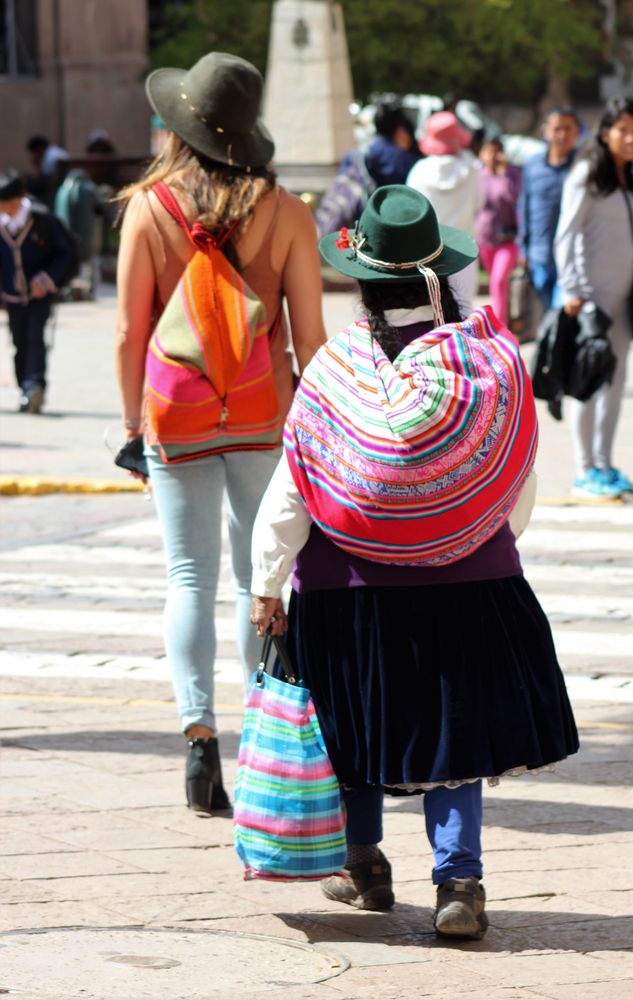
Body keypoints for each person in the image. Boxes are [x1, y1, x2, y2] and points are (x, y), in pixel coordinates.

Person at [250, 186, 578, 940]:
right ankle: (458, 881)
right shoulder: (482, 366)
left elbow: (293, 487)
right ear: (441, 276)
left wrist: (268, 583)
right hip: (470, 581)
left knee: (352, 725)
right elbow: (514, 483)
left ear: (363, 284)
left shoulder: (336, 370)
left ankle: (363, 866)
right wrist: (460, 530)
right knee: (452, 731)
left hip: (347, 590)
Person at [114, 52, 326, 813]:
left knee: (186, 577)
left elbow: (128, 334)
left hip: (175, 415)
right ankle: (258, 734)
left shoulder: (147, 209)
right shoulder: (288, 213)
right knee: (254, 580)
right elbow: (313, 340)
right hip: (262, 414)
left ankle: (198, 741)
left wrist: (130, 423)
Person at [554, 96, 633, 500]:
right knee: (589, 380)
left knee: (616, 382)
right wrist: (572, 289)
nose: (632, 138)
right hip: (591, 299)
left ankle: (604, 463)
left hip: (625, 297)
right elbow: (565, 235)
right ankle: (584, 469)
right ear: (606, 133)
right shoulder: (587, 173)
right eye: (624, 130)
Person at [0, 169, 73, 413]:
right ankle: (25, 389)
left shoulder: (42, 220)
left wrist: (47, 278)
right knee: (19, 341)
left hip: (39, 294)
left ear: (18, 199)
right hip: (12, 296)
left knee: (35, 338)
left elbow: (65, 253)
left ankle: (35, 386)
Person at [407, 111, 481, 316]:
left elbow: (410, 215)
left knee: (429, 315)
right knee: (463, 314)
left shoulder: (418, 171)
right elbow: (479, 204)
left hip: (428, 255)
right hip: (464, 252)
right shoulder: (471, 168)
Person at [315, 103, 420, 238]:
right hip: (380, 234)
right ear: (400, 131)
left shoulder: (355, 154)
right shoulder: (405, 161)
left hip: (347, 230)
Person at [518, 108, 581, 311]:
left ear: (577, 132)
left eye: (567, 129)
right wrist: (524, 248)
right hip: (540, 252)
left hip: (575, 253)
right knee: (548, 307)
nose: (562, 135)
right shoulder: (533, 165)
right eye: (557, 129)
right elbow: (524, 205)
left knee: (563, 308)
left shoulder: (584, 165)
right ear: (546, 132)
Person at [475, 138, 522, 326]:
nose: (492, 157)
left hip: (507, 239)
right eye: (488, 152)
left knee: (498, 280)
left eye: (496, 152)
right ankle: (505, 316)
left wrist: (504, 174)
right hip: (485, 239)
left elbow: (512, 198)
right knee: (498, 285)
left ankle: (498, 326)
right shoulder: (478, 176)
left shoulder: (513, 175)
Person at [25, 135, 69, 207]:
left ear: (39, 149)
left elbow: (49, 182)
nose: (33, 157)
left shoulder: (49, 156)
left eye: (34, 153)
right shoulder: (52, 152)